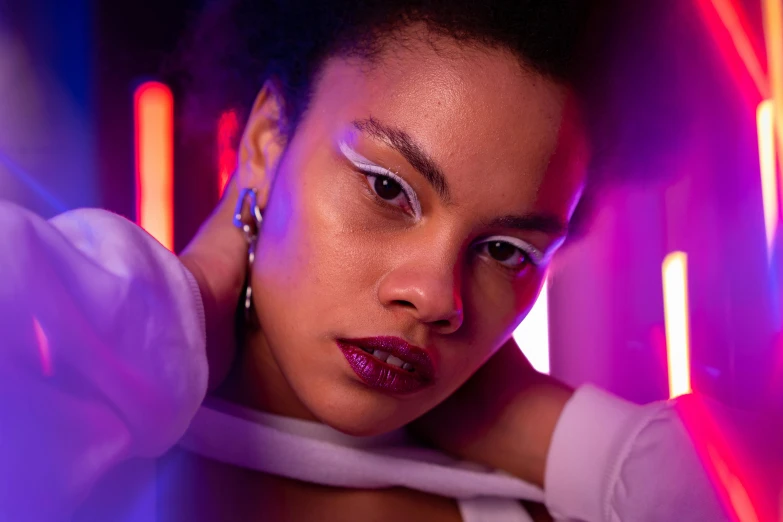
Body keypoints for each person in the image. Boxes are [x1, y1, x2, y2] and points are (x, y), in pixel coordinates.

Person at [0, 1, 730, 520]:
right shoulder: (95, 454)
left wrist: (572, 444)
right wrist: (172, 309)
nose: (436, 298)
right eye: (387, 188)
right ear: (265, 139)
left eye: (505, 251)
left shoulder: (547, 508)